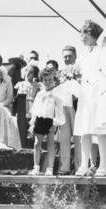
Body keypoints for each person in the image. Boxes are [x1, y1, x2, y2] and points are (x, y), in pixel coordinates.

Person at [74, 20, 106, 176]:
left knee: (100, 129)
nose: (81, 36)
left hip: (99, 93)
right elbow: (80, 73)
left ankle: (103, 166)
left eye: (83, 33)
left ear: (90, 33)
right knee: (84, 129)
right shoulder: (83, 53)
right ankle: (84, 165)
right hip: (85, 94)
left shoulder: (102, 50)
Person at [29, 68, 65, 176]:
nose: (48, 82)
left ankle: (50, 168)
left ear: (53, 79)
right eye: (45, 80)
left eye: (50, 79)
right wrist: (33, 122)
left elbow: (59, 111)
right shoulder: (40, 93)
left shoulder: (57, 93)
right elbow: (35, 108)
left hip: (51, 120)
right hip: (40, 119)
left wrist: (55, 123)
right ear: (42, 80)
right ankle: (36, 167)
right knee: (37, 143)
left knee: (50, 144)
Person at [57, 45, 81, 175]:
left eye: (70, 56)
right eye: (65, 56)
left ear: (75, 56)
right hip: (63, 106)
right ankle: (64, 168)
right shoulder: (59, 73)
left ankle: (80, 167)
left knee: (78, 137)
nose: (67, 59)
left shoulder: (80, 70)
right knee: (64, 138)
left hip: (77, 105)